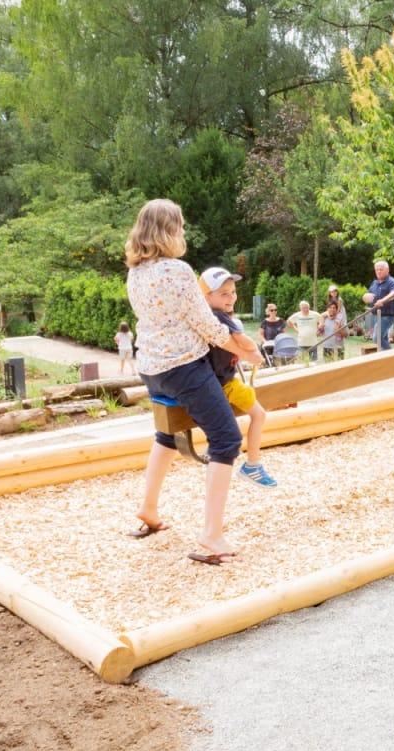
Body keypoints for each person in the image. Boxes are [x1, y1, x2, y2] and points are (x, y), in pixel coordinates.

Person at [124, 198, 261, 566]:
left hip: (151, 370)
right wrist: (246, 350)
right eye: (180, 225)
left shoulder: (135, 272)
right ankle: (211, 534)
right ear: (170, 229)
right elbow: (207, 326)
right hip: (184, 368)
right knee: (227, 438)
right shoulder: (178, 270)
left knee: (168, 434)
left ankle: (149, 508)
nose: (183, 231)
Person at [200, 266, 277, 488]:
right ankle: (253, 464)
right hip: (225, 384)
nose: (231, 297)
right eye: (224, 294)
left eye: (233, 292)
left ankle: (213, 446)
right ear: (207, 297)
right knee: (259, 414)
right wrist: (254, 353)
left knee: (224, 419)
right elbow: (244, 341)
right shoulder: (219, 317)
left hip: (213, 384)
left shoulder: (208, 317)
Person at [362, 260, 394, 351]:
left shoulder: (392, 282)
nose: (378, 271)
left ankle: (392, 355)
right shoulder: (375, 283)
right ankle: (385, 357)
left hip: (386, 316)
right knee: (383, 339)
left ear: (387, 270)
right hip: (376, 315)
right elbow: (368, 295)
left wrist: (382, 301)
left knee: (377, 338)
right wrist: (365, 297)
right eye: (377, 270)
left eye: (381, 269)